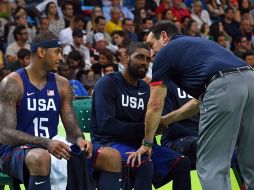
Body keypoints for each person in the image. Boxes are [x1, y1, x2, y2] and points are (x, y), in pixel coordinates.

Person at [128, 20, 254, 190]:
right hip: (250, 79)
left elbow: (155, 103)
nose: (151, 52)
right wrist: (167, 119)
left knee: (211, 163)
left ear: (164, 36)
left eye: (151, 45)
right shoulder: (200, 43)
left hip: (224, 86)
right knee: (250, 157)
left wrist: (147, 143)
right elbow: (200, 100)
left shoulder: (166, 53)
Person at [0, 31, 117, 190]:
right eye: (57, 52)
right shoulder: (13, 83)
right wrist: (45, 142)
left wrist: (79, 140)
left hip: (52, 145)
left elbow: (72, 129)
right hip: (14, 151)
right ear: (41, 52)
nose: (61, 58)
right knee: (41, 157)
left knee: (111, 156)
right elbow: (6, 134)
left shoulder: (62, 84)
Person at [90, 42, 191, 190]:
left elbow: (151, 121)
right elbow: (106, 125)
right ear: (126, 58)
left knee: (182, 162)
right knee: (144, 163)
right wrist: (146, 129)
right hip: (108, 143)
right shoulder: (108, 83)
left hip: (138, 145)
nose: (144, 62)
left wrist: (158, 126)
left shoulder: (145, 88)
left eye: (148, 59)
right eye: (140, 57)